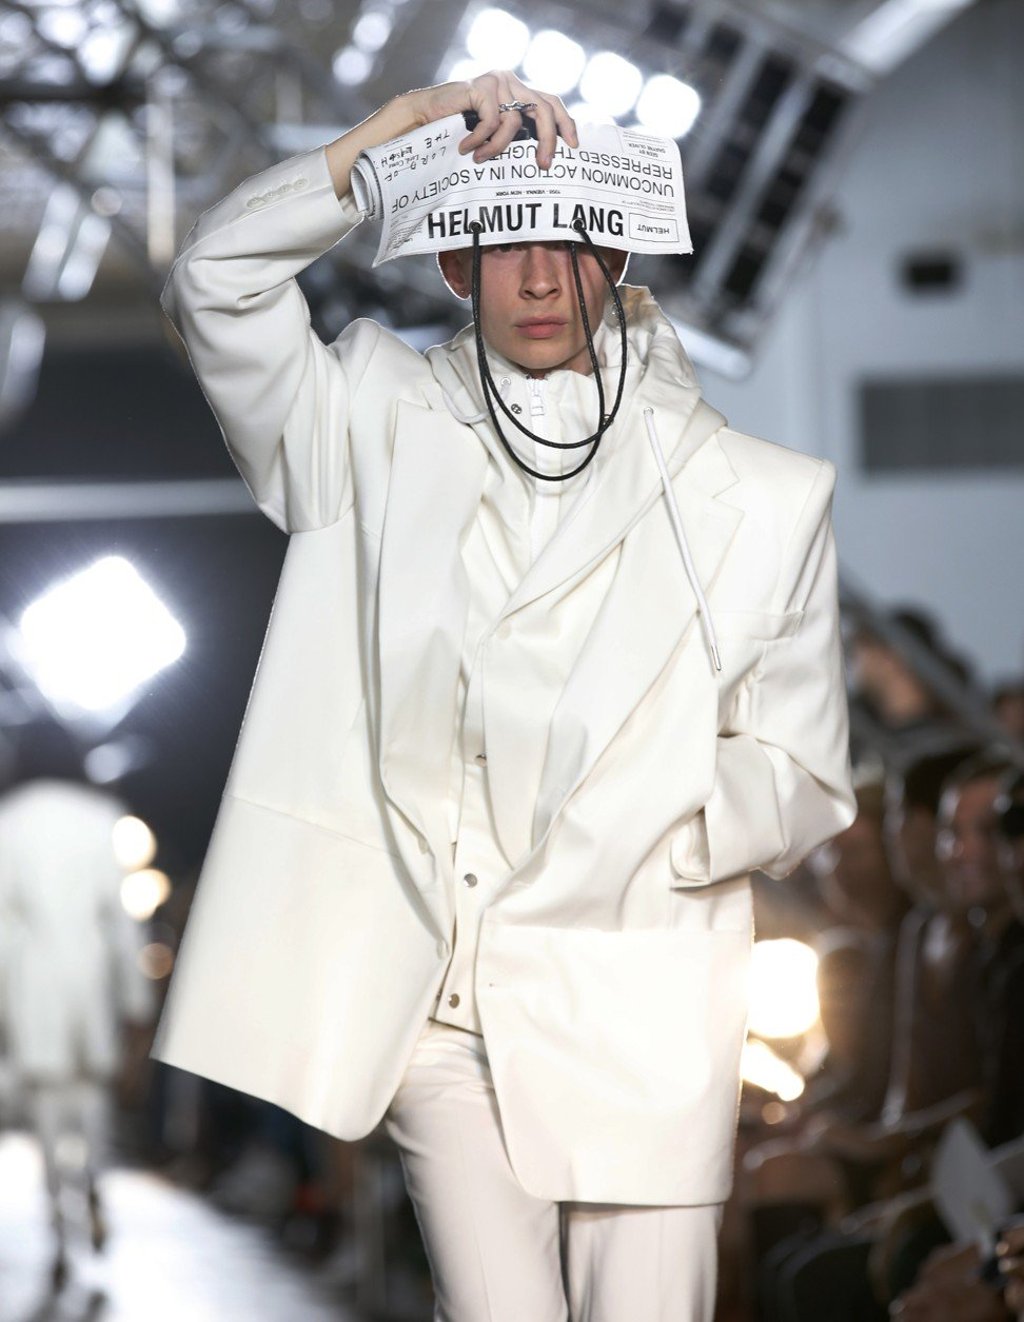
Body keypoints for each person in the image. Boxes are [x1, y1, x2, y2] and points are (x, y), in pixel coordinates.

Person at [150, 70, 855, 1319]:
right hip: (443, 1011)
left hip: (641, 988)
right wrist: (379, 143)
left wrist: (655, 817)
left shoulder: (759, 495)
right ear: (450, 265)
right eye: (500, 240)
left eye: (569, 242)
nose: (538, 277)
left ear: (618, 252)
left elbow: (801, 772)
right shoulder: (363, 422)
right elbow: (217, 283)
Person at [0, 722, 153, 1287]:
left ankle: (58, 1231)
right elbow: (118, 917)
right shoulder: (100, 816)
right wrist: (136, 996)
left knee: (45, 1111)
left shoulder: (8, 821)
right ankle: (91, 1181)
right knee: (90, 1102)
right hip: (87, 979)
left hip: (31, 981)